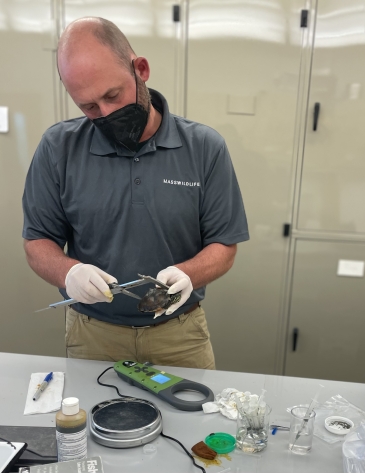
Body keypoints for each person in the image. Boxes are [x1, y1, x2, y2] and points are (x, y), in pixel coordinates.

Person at [22, 17, 249, 369]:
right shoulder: (58, 148)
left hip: (179, 333)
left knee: (191, 422)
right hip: (93, 335)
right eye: (89, 107)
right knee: (92, 423)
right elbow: (38, 244)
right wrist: (69, 273)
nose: (106, 114)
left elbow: (224, 245)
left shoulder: (204, 147)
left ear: (140, 70)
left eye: (113, 95)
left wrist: (189, 273)